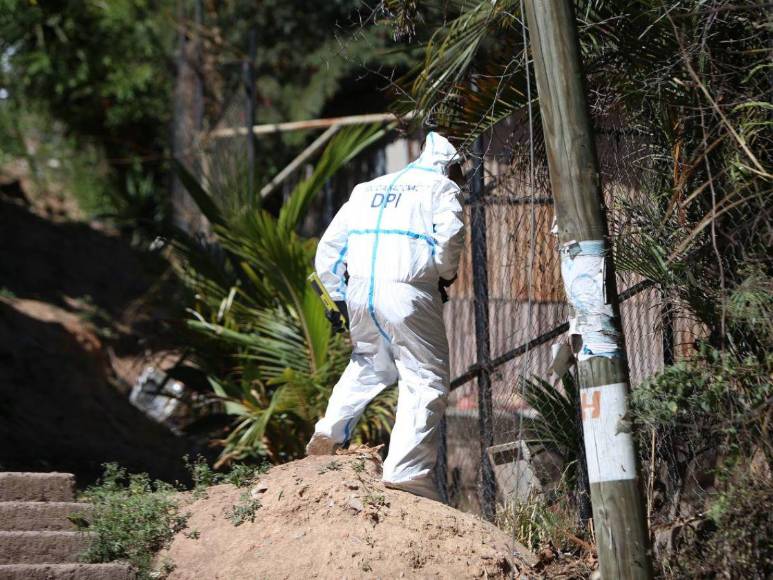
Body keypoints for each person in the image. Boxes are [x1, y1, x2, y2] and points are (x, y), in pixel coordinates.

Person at [306, 132, 465, 501]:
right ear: (451, 163)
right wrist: (443, 274)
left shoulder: (368, 188)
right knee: (425, 377)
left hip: (361, 291)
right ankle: (405, 473)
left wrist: (337, 295)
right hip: (408, 288)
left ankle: (330, 429)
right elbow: (451, 236)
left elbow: (329, 247)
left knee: (368, 362)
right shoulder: (440, 188)